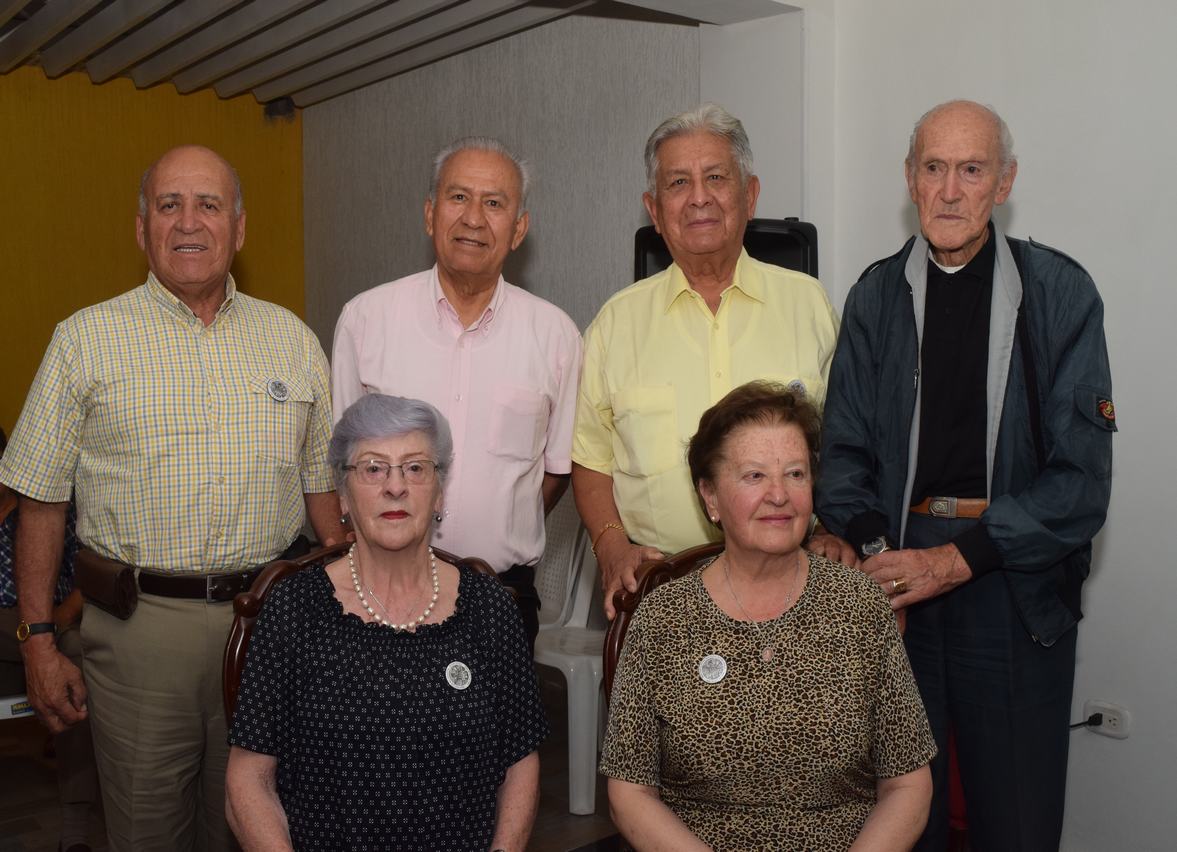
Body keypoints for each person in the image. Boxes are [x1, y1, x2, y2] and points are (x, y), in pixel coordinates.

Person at [0, 145, 345, 851]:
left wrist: (358, 607)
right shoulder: (85, 340)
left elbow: (323, 494)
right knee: (148, 829)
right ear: (141, 228)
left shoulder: (294, 342)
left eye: (208, 205)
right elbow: (40, 501)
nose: (189, 222)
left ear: (239, 228)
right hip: (136, 633)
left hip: (266, 625)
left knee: (252, 822)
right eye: (169, 205)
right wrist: (37, 641)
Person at [815, 100, 1115, 851]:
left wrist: (955, 561)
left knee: (1014, 814)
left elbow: (1079, 483)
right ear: (909, 180)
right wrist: (881, 552)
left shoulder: (1059, 295)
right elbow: (841, 456)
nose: (950, 190)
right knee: (895, 814)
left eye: (971, 170)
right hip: (893, 573)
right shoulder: (874, 297)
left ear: (1003, 182)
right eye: (933, 168)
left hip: (1009, 578)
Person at [601, 381, 935, 851]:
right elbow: (629, 792)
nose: (779, 495)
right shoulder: (664, 619)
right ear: (710, 497)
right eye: (754, 476)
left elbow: (908, 785)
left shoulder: (860, 607)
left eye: (795, 474)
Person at [226, 394, 547, 851]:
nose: (395, 487)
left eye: (415, 468)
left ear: (438, 492)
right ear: (342, 494)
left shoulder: (489, 608)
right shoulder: (294, 609)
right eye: (373, 468)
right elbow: (248, 780)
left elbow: (520, 763)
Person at [571, 103, 848, 619]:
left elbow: (844, 440)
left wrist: (832, 528)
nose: (698, 197)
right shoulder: (615, 324)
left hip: (794, 587)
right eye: (678, 183)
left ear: (751, 194)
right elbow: (590, 458)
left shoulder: (809, 305)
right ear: (654, 211)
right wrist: (610, 547)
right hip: (660, 592)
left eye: (716, 177)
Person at [332, 136, 582, 650]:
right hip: (381, 592)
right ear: (429, 215)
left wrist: (498, 523)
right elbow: (341, 463)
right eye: (458, 197)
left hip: (502, 597)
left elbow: (557, 470)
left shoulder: (556, 336)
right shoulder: (365, 319)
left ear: (519, 229)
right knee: (378, 731)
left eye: (494, 203)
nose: (473, 218)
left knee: (498, 733)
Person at [0, 428, 99, 852]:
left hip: (47, 614)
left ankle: (75, 818)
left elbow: (86, 572)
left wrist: (54, 622)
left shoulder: (50, 504)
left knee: (76, 656)